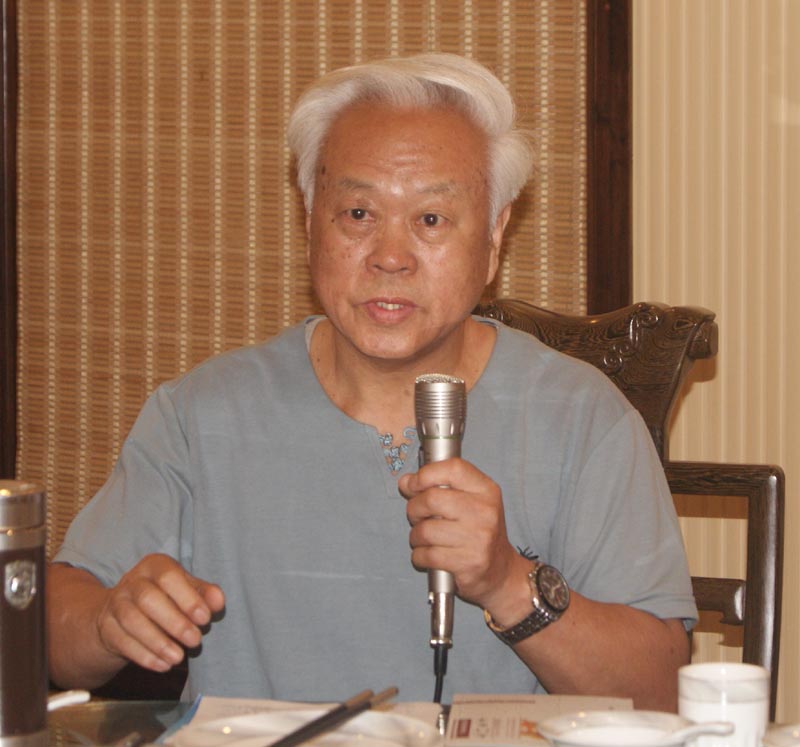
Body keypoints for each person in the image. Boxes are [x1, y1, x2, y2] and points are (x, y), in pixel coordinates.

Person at [47, 53, 696, 710]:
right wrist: (107, 620)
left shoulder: (581, 418)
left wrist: (508, 581)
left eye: (431, 219)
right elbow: (52, 626)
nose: (390, 257)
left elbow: (659, 691)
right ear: (309, 221)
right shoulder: (203, 414)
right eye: (358, 214)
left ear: (495, 236)